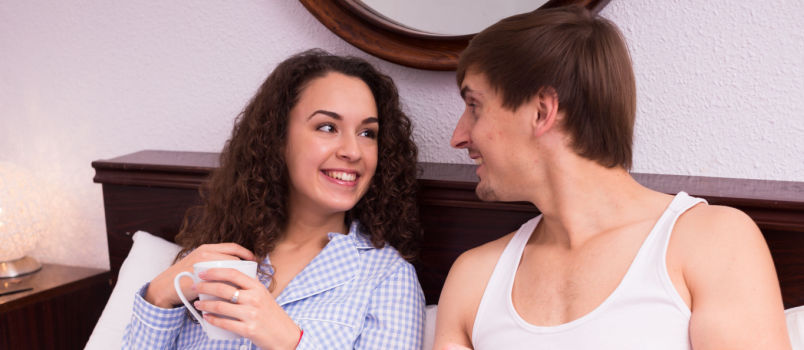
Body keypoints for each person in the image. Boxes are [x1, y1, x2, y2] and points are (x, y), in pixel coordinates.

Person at [433, 6, 791, 350]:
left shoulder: (711, 242)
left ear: (542, 111)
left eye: (474, 106)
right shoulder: (473, 280)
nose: (458, 136)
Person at [122, 49, 425, 349]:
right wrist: (159, 296)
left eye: (367, 133)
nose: (353, 151)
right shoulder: (218, 251)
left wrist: (288, 341)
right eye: (328, 127)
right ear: (278, 139)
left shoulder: (387, 278)